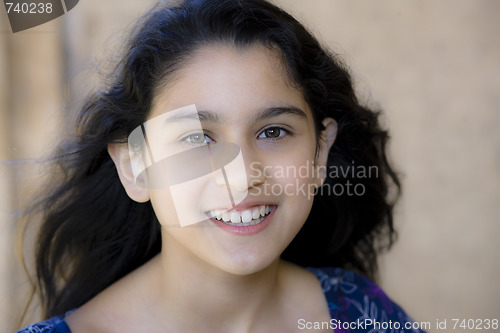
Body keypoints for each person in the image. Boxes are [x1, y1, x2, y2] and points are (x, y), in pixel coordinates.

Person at [18, 0, 426, 332]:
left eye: (273, 132)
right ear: (135, 166)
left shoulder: (366, 316)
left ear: (319, 154)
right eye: (197, 137)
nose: (243, 175)